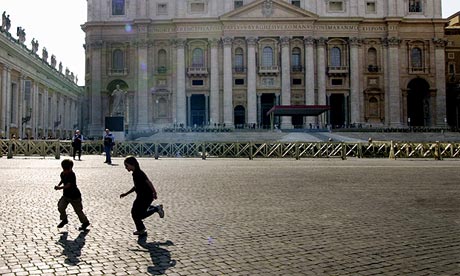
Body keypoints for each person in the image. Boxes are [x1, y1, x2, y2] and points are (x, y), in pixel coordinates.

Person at [120, 156, 164, 235]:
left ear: (132, 164)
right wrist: (126, 193)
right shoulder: (135, 173)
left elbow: (148, 182)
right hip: (141, 196)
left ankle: (155, 209)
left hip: (146, 196)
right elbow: (136, 186)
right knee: (136, 213)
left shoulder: (139, 173)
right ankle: (141, 228)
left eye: (126, 165)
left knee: (138, 214)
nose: (126, 168)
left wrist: (154, 192)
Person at [54, 159, 90, 231]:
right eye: (64, 169)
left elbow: (68, 185)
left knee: (78, 211)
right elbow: (62, 180)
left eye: (67, 169)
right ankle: (64, 219)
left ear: (70, 168)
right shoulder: (62, 173)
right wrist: (58, 185)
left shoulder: (72, 175)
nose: (65, 171)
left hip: (75, 196)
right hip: (66, 195)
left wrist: (60, 188)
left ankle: (85, 222)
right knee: (60, 206)